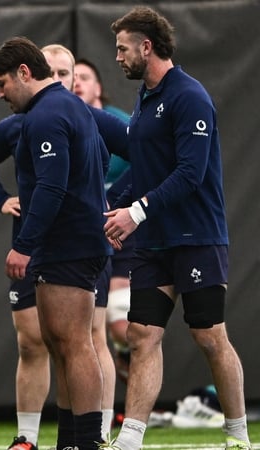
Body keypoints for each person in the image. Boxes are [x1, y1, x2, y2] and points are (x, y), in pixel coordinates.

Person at [104, 6, 251, 450]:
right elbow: (146, 168)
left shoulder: (189, 96)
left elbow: (190, 172)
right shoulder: (146, 98)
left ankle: (238, 435)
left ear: (146, 47)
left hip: (197, 236)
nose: (117, 57)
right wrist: (110, 205)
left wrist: (137, 211)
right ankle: (130, 438)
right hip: (153, 242)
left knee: (209, 336)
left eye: (122, 49)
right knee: (142, 334)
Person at [0, 43, 125, 450]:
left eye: (2, 83)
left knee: (75, 343)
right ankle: (70, 441)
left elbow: (52, 185)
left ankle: (88, 441)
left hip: (70, 244)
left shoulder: (48, 113)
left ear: (24, 72)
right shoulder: (62, 109)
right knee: (60, 345)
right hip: (68, 242)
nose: (0, 93)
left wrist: (24, 245)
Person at [73, 57, 134, 386]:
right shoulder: (60, 122)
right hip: (80, 234)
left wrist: (116, 200)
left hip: (121, 229)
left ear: (99, 87)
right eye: (73, 76)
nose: (78, 82)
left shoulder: (118, 122)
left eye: (86, 76)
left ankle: (137, 362)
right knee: (86, 327)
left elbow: (147, 164)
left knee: (117, 323)